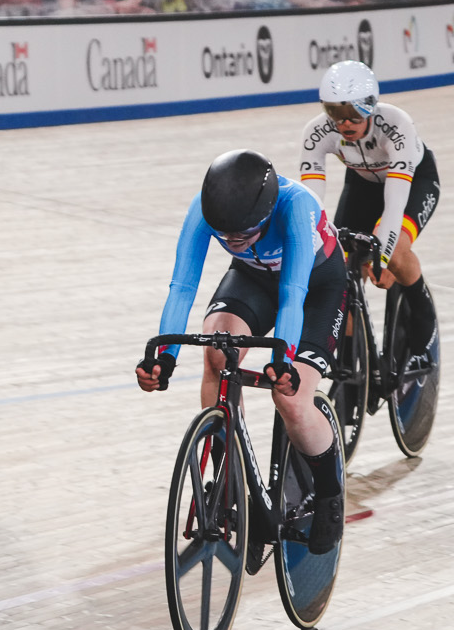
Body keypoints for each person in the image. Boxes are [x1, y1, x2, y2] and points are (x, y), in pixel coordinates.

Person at [136, 150, 348, 556]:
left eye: (244, 232)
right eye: (225, 235)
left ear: (267, 212)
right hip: (252, 278)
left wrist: (282, 361)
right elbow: (182, 285)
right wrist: (164, 357)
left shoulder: (296, 206)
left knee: (291, 397)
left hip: (315, 286)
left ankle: (329, 493)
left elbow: (293, 294)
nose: (232, 241)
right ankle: (228, 475)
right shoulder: (203, 211)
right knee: (217, 352)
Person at [298, 59, 439, 349]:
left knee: (396, 251)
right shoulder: (316, 133)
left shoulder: (397, 124)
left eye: (354, 112)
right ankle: (353, 366)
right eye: (336, 112)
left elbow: (395, 205)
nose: (345, 122)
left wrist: (382, 258)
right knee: (341, 274)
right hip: (361, 185)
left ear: (372, 106)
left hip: (412, 182)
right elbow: (310, 205)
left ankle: (423, 316)